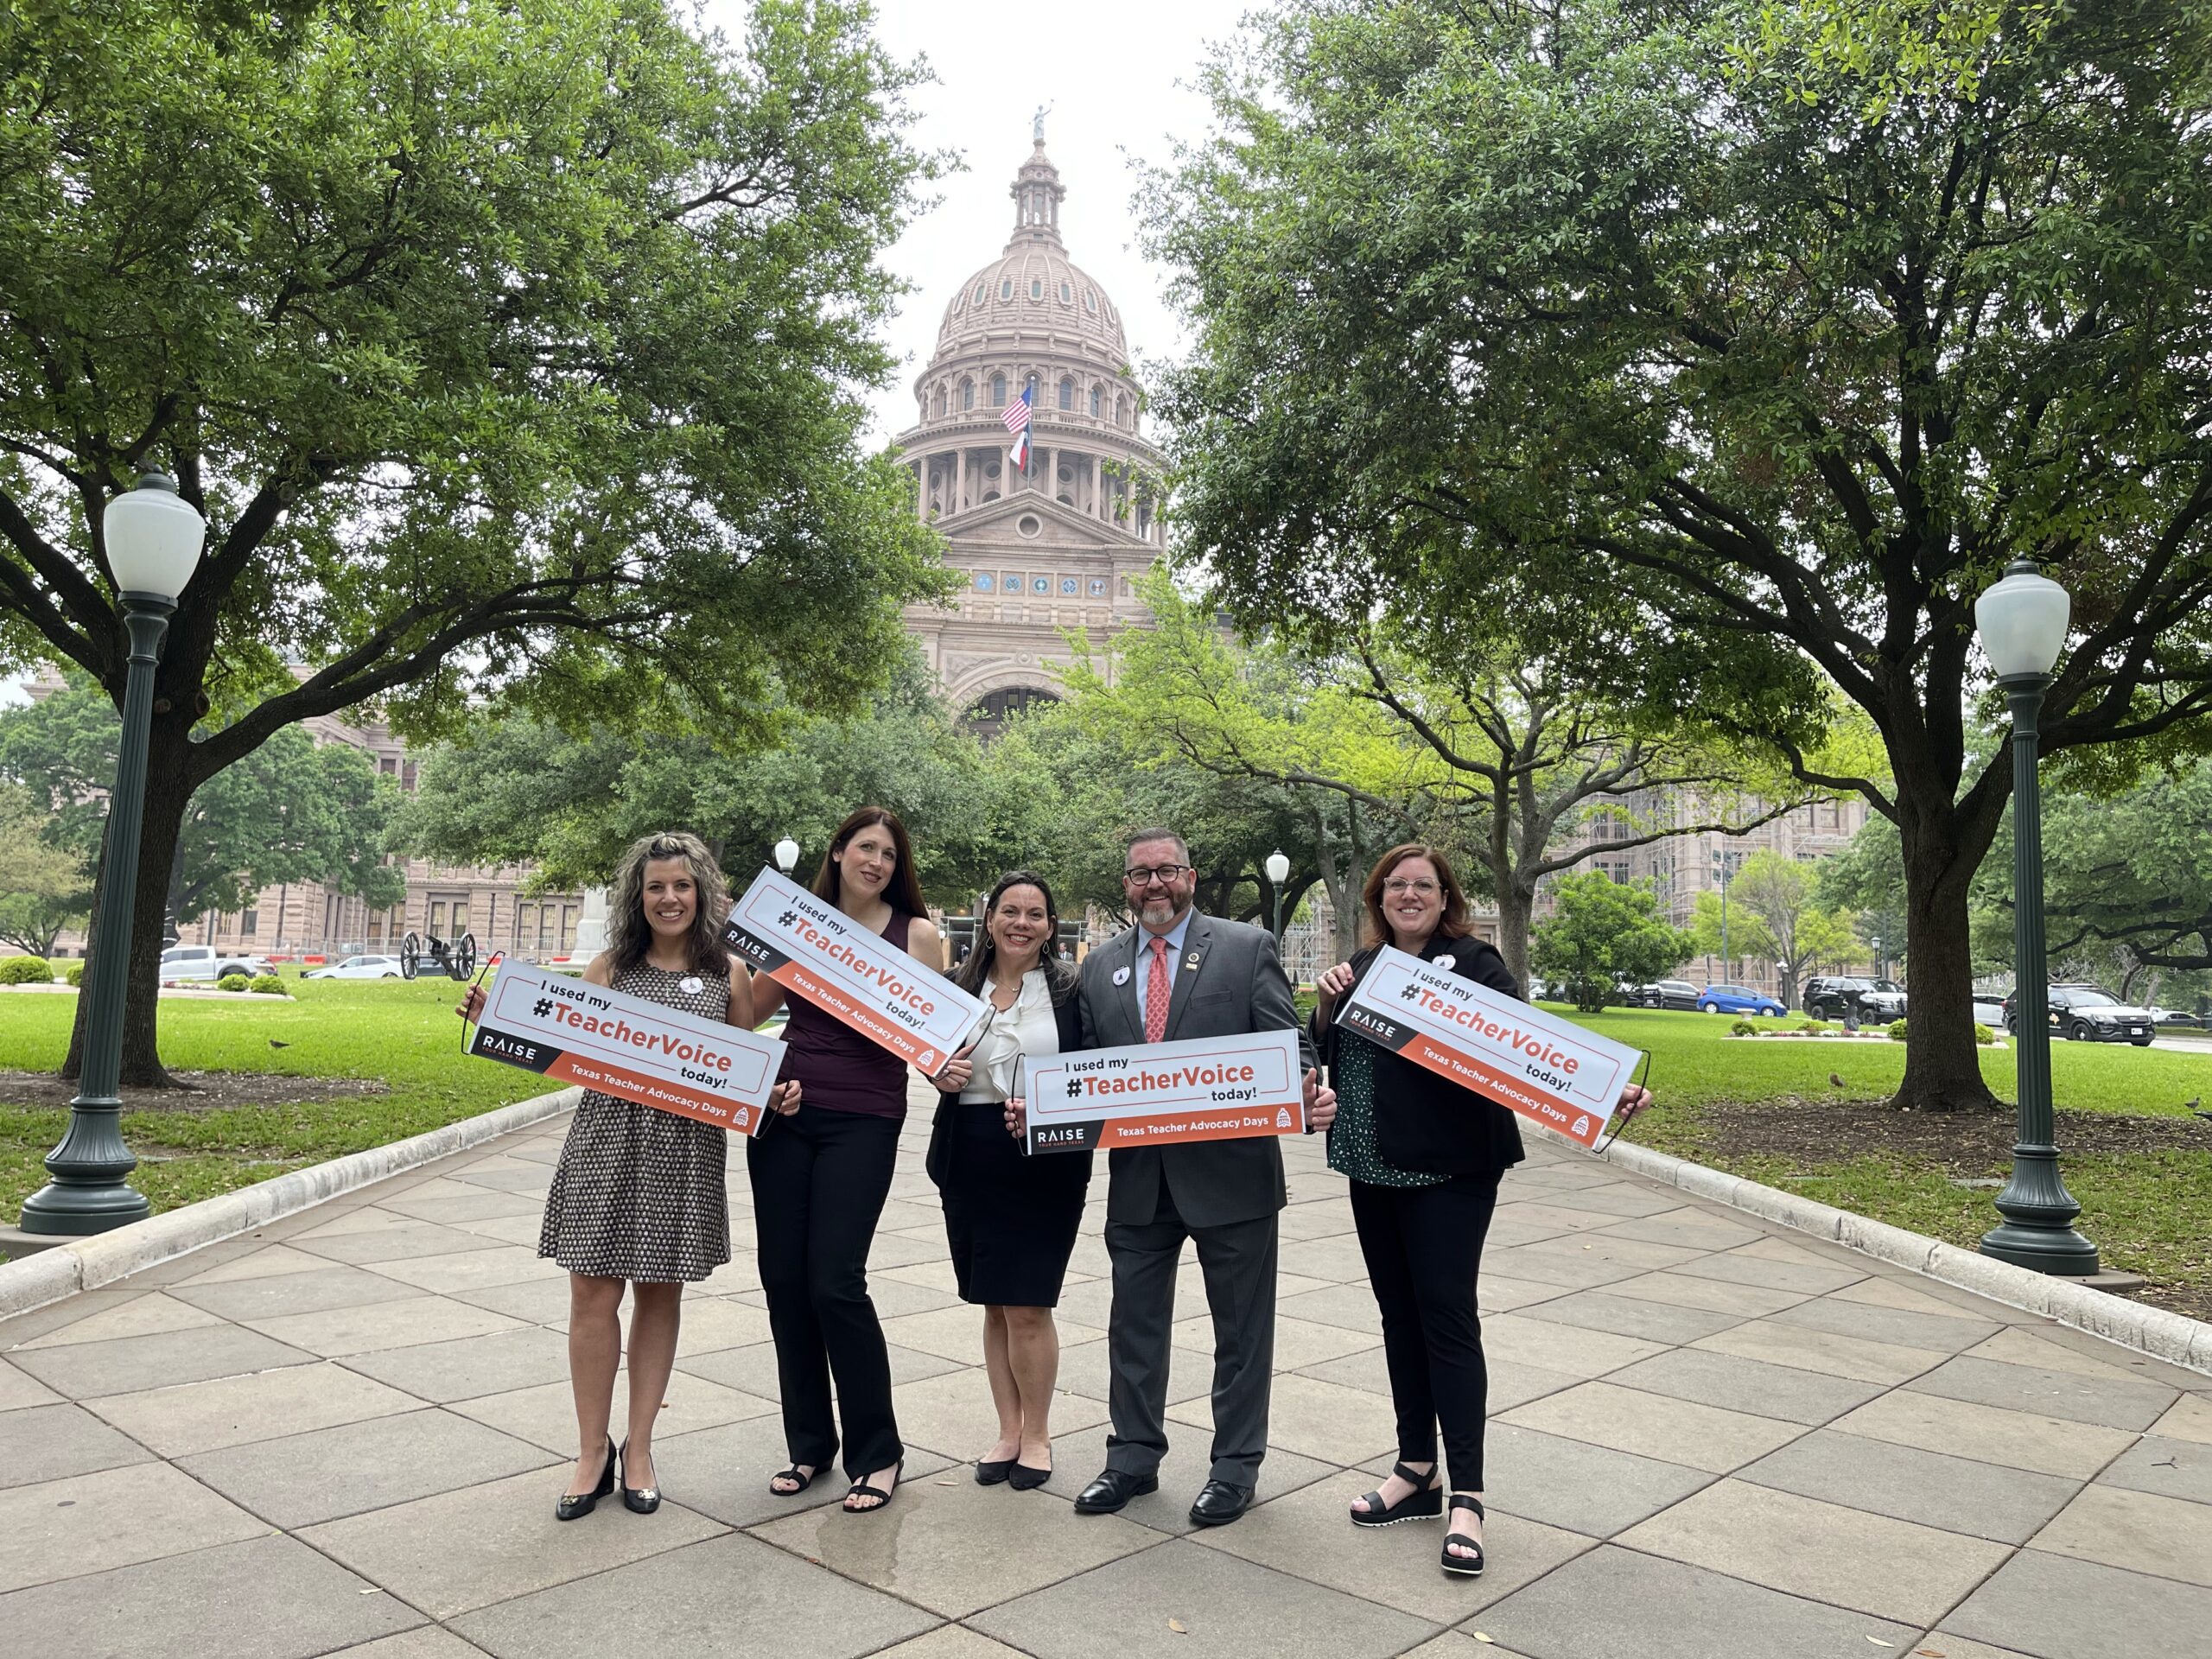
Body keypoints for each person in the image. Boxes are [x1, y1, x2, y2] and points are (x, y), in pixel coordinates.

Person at [1313, 843, 1651, 1578]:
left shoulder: (1474, 963)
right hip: (1369, 1165)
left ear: (1444, 898)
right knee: (1397, 1316)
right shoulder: (1363, 967)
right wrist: (1326, 1001)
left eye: (1423, 886)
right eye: (1396, 885)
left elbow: (1530, 1049)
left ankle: (1466, 1493)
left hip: (1449, 1170)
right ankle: (1415, 1472)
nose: (1409, 895)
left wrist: (1603, 1088)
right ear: (1379, 897)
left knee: (1446, 1318)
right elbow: (1327, 1050)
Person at [458, 830, 799, 1521]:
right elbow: (560, 1042)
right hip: (605, 1142)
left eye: (681, 886)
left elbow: (739, 1068)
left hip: (682, 1153)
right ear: (637, 898)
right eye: (655, 888)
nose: (669, 898)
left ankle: (639, 1447)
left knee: (659, 1296)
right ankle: (592, 1451)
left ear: (700, 892)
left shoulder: (728, 973)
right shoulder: (610, 967)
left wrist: (773, 1094)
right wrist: (496, 1014)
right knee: (591, 1296)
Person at [1041, 827, 1336, 1529]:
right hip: (1140, 1181)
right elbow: (1084, 1069)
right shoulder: (1101, 965)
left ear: (1191, 877)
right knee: (1133, 1329)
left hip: (1233, 1179)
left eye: (1166, 871)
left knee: (1242, 1333)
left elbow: (1287, 1042)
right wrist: (1042, 1106)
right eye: (1141, 875)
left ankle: (1235, 1469)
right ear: (1126, 886)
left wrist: (1302, 1081)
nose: (1155, 885)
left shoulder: (1244, 948)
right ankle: (1131, 1459)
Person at [747, 807, 944, 1516]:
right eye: (866, 848)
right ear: (837, 852)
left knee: (835, 1282)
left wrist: (948, 1071)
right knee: (783, 1281)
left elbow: (932, 1039)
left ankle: (879, 1452)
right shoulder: (801, 925)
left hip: (863, 1119)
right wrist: (748, 947)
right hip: (785, 1114)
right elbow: (746, 1016)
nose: (877, 863)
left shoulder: (918, 935)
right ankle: (809, 1445)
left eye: (889, 854)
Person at [925, 870, 1091, 1491]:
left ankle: (1040, 1434)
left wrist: (1052, 1112)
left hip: (1045, 1160)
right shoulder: (953, 989)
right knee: (993, 1302)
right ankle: (1008, 1429)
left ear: (1050, 927)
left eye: (1036, 914)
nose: (1022, 922)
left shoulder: (1073, 992)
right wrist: (935, 1072)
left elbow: (1095, 1072)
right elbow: (930, 1059)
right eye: (1010, 911)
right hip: (969, 1155)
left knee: (1028, 1303)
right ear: (988, 918)